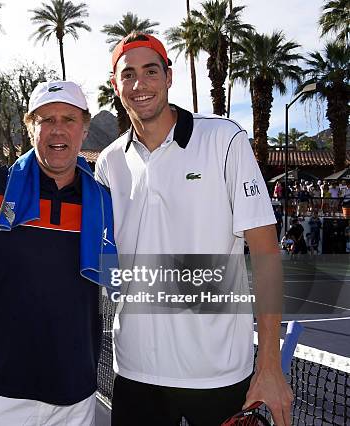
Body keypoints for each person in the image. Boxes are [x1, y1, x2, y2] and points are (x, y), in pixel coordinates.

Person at [95, 32, 292, 425]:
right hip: (134, 372)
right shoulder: (108, 162)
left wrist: (269, 362)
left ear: (169, 76)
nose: (140, 84)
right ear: (115, 86)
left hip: (220, 376)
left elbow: (267, 253)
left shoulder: (224, 139)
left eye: (150, 71)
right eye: (128, 75)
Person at [0, 81, 116, 425]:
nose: (58, 129)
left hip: (73, 392)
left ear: (84, 129)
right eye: (46, 119)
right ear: (30, 128)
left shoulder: (105, 201)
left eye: (69, 119)